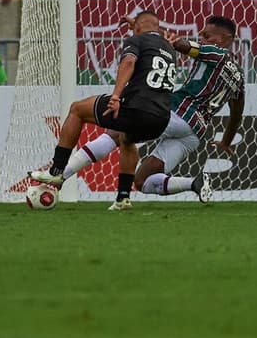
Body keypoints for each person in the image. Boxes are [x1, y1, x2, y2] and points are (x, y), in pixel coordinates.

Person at [50, 16, 245, 208]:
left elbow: (185, 46)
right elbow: (236, 113)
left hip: (177, 113)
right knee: (142, 181)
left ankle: (60, 176)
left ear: (225, 38)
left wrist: (166, 39)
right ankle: (194, 183)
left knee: (118, 132)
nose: (202, 37)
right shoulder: (238, 76)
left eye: (207, 35)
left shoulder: (217, 53)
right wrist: (226, 142)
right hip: (194, 133)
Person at [29, 11, 177, 210]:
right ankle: (123, 197)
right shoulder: (168, 47)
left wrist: (116, 95)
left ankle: (56, 169)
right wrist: (137, 24)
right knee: (127, 138)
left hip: (136, 107)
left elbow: (129, 62)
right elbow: (148, 28)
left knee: (77, 109)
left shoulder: (137, 39)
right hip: (160, 118)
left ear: (139, 28)